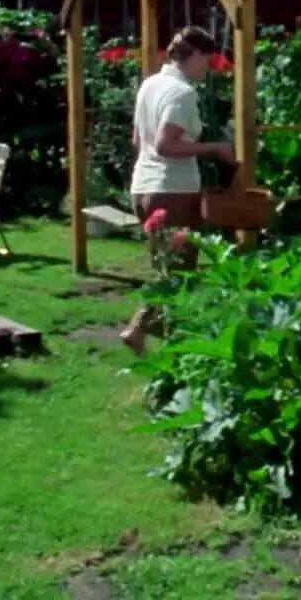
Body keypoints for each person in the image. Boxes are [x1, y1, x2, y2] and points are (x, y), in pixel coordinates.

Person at [120, 26, 235, 355]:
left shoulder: (150, 84)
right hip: (172, 190)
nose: (209, 67)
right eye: (206, 60)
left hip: (143, 186)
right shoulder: (182, 92)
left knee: (166, 266)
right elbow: (165, 144)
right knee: (179, 272)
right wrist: (216, 149)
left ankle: (163, 335)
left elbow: (138, 141)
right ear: (193, 55)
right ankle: (139, 329)